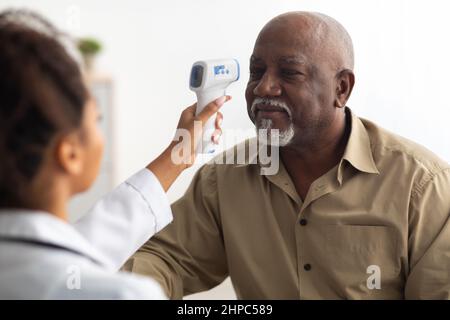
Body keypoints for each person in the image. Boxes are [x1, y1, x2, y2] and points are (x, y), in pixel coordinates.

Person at [124, 11, 450, 299]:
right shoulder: (225, 176)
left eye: (289, 73)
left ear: (342, 88)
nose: (264, 87)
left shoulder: (422, 187)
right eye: (256, 71)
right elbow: (168, 259)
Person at [0, 9, 229, 299]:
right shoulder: (125, 295)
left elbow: (85, 245)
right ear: (70, 154)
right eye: (97, 120)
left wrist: (178, 155)